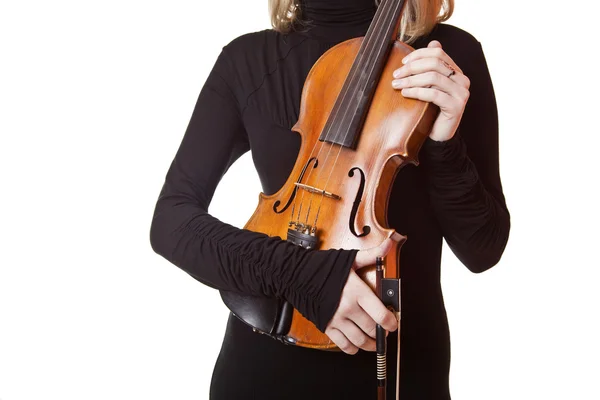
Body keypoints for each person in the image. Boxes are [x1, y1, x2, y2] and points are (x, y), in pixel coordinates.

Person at [149, 0, 511, 398]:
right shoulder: (247, 60)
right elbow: (171, 220)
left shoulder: (441, 57)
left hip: (397, 372)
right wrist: (305, 274)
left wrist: (444, 140)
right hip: (261, 371)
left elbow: (484, 249)